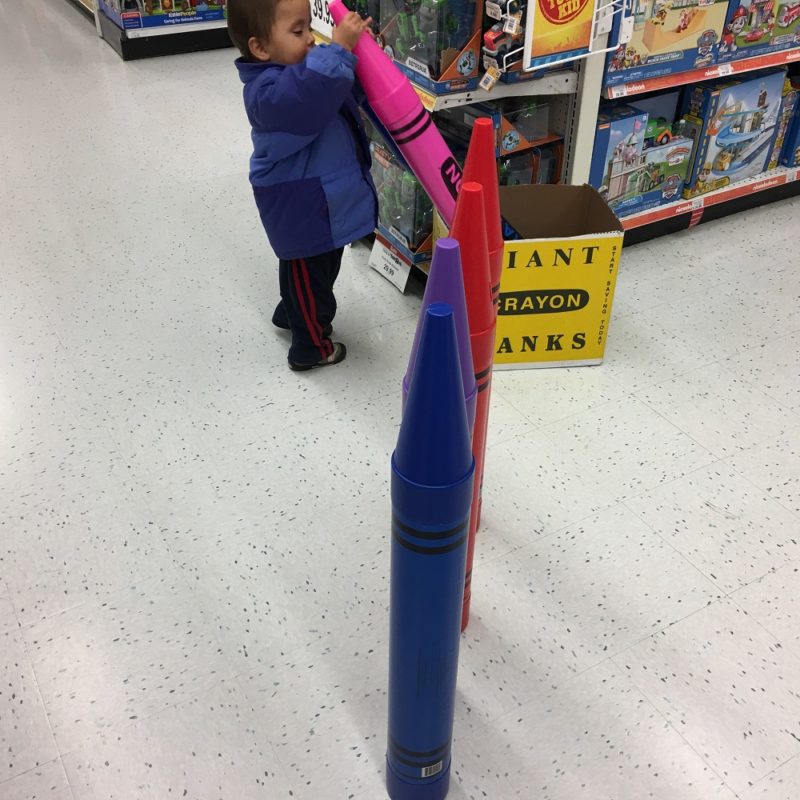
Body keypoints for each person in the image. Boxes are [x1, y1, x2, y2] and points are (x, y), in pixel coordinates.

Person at [228, 0, 378, 370]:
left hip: (320, 199)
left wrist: (357, 57)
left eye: (309, 27)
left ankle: (293, 310)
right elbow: (308, 95)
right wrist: (339, 51)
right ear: (260, 48)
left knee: (319, 268)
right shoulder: (267, 93)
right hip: (302, 203)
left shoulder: (303, 72)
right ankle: (310, 345)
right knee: (310, 275)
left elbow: (334, 94)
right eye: (298, 32)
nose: (311, 39)